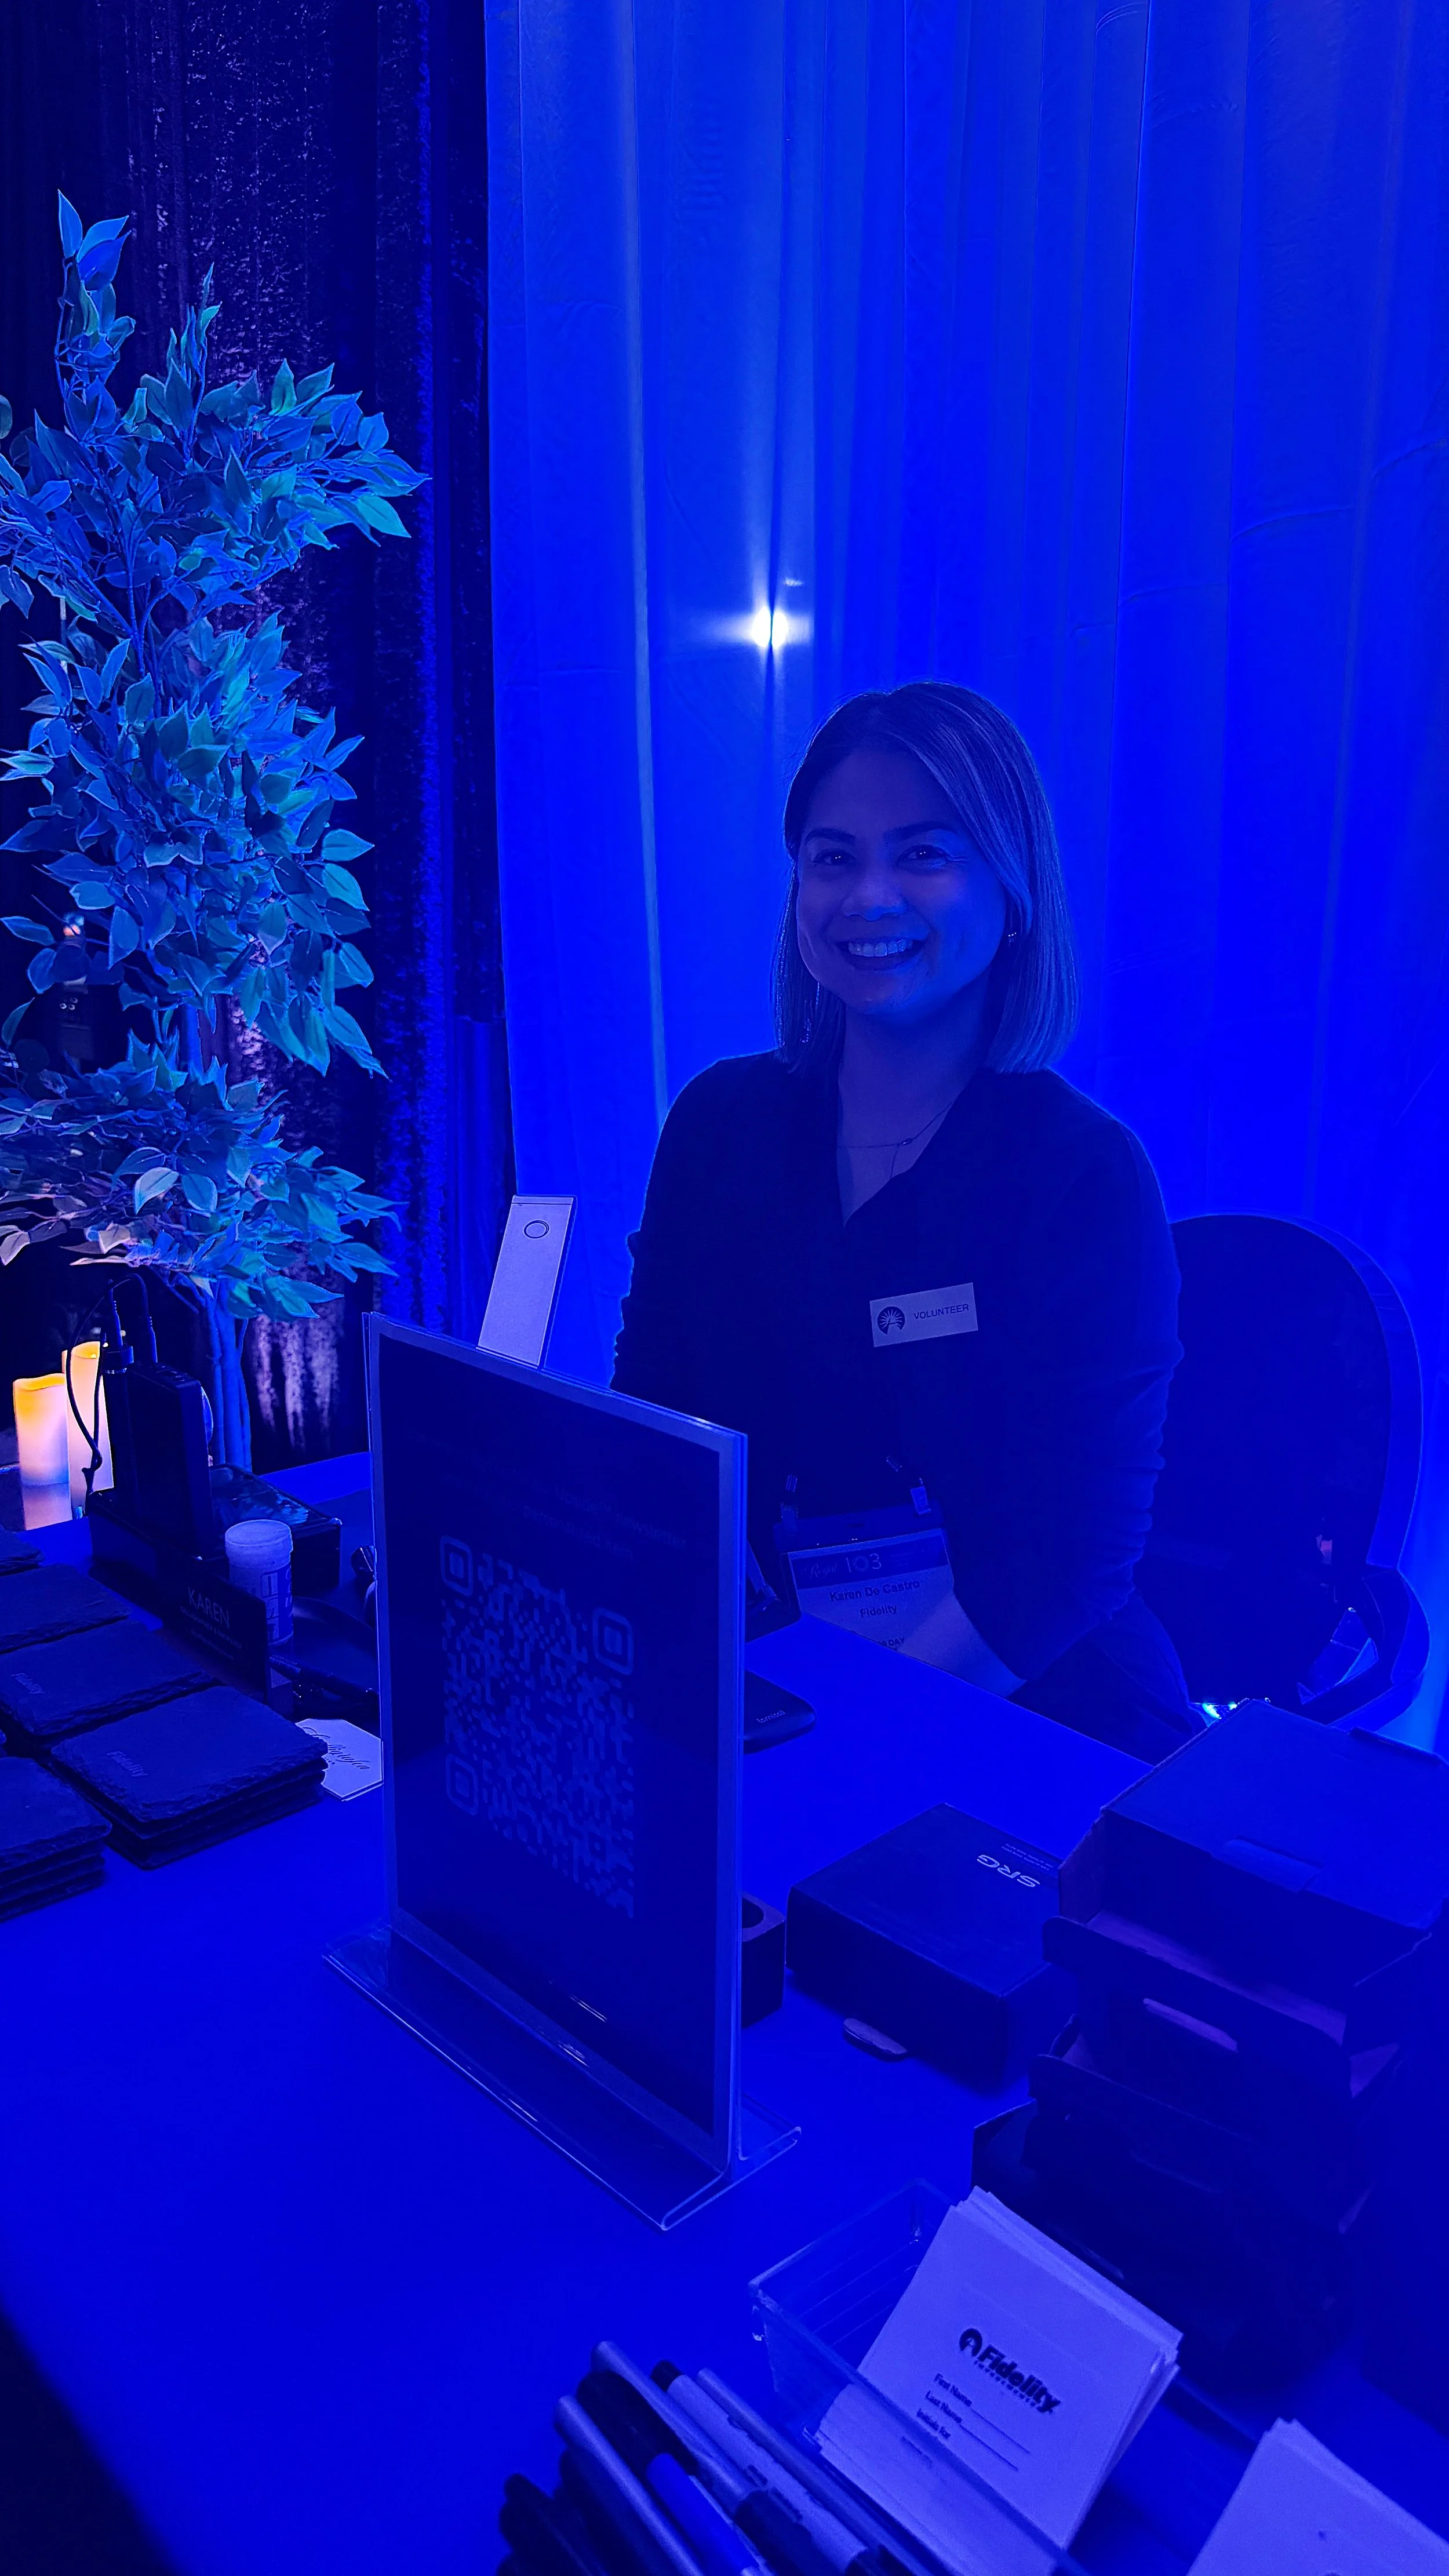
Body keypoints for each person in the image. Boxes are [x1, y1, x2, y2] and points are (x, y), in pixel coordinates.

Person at [612, 681, 1198, 1763]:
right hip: (788, 1685)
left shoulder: (1082, 1179)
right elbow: (656, 1425)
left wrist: (849, 1729)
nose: (868, 896)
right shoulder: (718, 1122)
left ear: (1011, 891)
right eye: (834, 857)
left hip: (1041, 1713)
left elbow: (1069, 1561)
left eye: (924, 854)